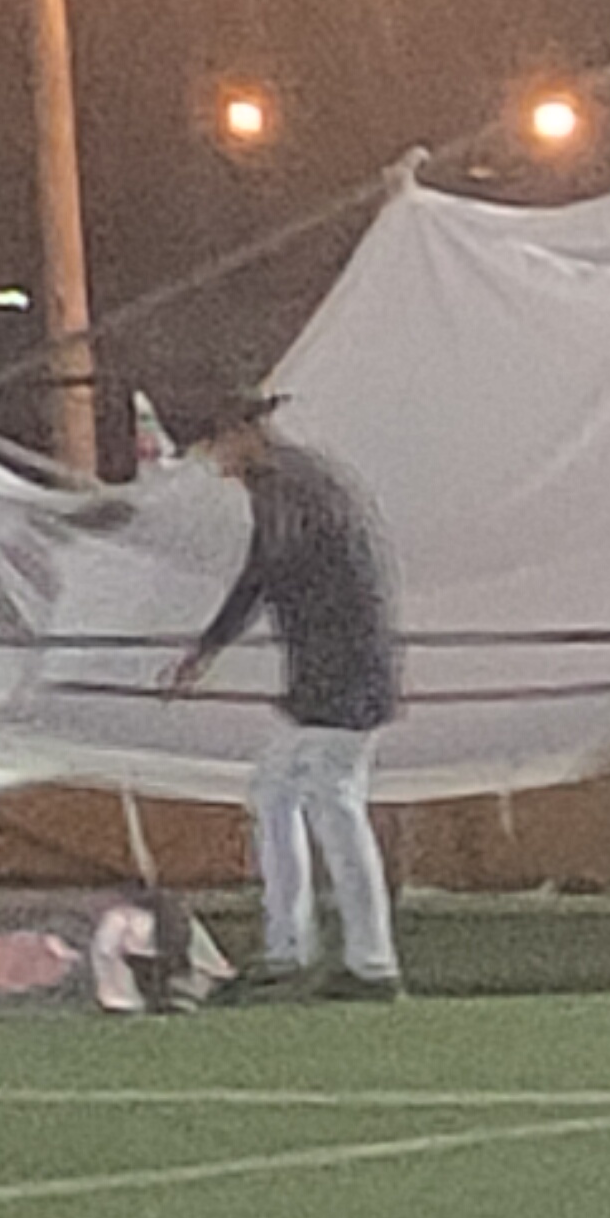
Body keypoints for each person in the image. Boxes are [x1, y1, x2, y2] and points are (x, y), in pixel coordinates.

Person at [161, 389, 402, 999]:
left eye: (215, 447)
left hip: (339, 672)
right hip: (341, 668)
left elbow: (266, 572)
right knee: (280, 793)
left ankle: (365, 961)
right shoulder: (303, 479)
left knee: (333, 804)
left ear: (243, 435)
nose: (214, 462)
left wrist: (207, 648)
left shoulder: (282, 487)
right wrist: (208, 648)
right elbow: (267, 572)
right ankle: (296, 947)